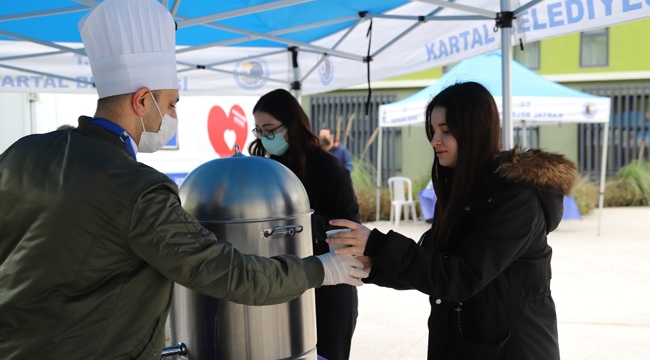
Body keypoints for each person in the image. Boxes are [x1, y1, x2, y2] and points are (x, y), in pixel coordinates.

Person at [0, 1, 367, 359]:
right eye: (172, 104)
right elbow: (229, 273)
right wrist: (321, 268)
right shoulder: (138, 188)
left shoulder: (22, 153)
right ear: (142, 100)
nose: (173, 116)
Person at [327, 82, 576, 359]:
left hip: (513, 349)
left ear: (475, 131)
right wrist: (374, 266)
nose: (435, 140)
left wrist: (377, 243)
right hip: (465, 342)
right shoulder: (466, 188)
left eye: (446, 131)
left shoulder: (515, 199)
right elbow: (435, 261)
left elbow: (460, 277)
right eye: (433, 131)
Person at [249, 89, 361, 360]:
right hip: (284, 282)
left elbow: (351, 230)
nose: (265, 137)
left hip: (330, 287)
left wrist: (297, 221)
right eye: (259, 131)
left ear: (293, 125)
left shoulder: (328, 168)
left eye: (270, 129)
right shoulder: (268, 168)